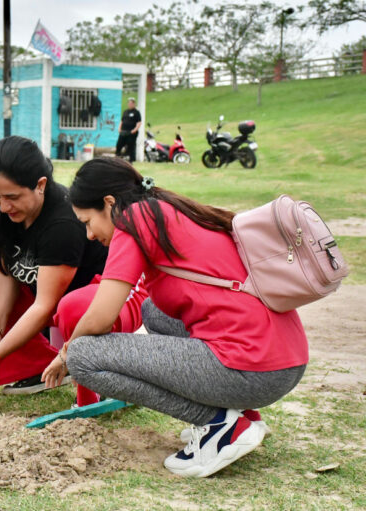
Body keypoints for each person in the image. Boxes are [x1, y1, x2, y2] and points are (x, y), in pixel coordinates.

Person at [42, 157, 308, 477]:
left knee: (84, 357)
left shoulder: (132, 220)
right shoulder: (167, 208)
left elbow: (99, 317)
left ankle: (220, 427)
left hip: (251, 369)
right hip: (284, 362)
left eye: (87, 222)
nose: (88, 235)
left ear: (109, 203)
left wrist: (66, 350)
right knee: (152, 311)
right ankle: (242, 415)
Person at [0, 136, 146, 402]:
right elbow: (8, 271)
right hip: (59, 297)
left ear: (40, 185)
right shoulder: (6, 211)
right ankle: (39, 365)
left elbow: (44, 305)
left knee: (71, 307)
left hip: (97, 300)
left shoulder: (62, 221)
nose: (3, 206)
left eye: (12, 197)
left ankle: (91, 392)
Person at [115, 98, 142, 162]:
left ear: (134, 104)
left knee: (131, 146)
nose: (130, 104)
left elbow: (139, 122)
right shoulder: (125, 112)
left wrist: (134, 130)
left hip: (131, 132)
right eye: (129, 103)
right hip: (123, 131)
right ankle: (117, 157)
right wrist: (119, 128)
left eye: (131, 103)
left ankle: (131, 160)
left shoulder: (136, 112)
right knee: (119, 144)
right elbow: (122, 121)